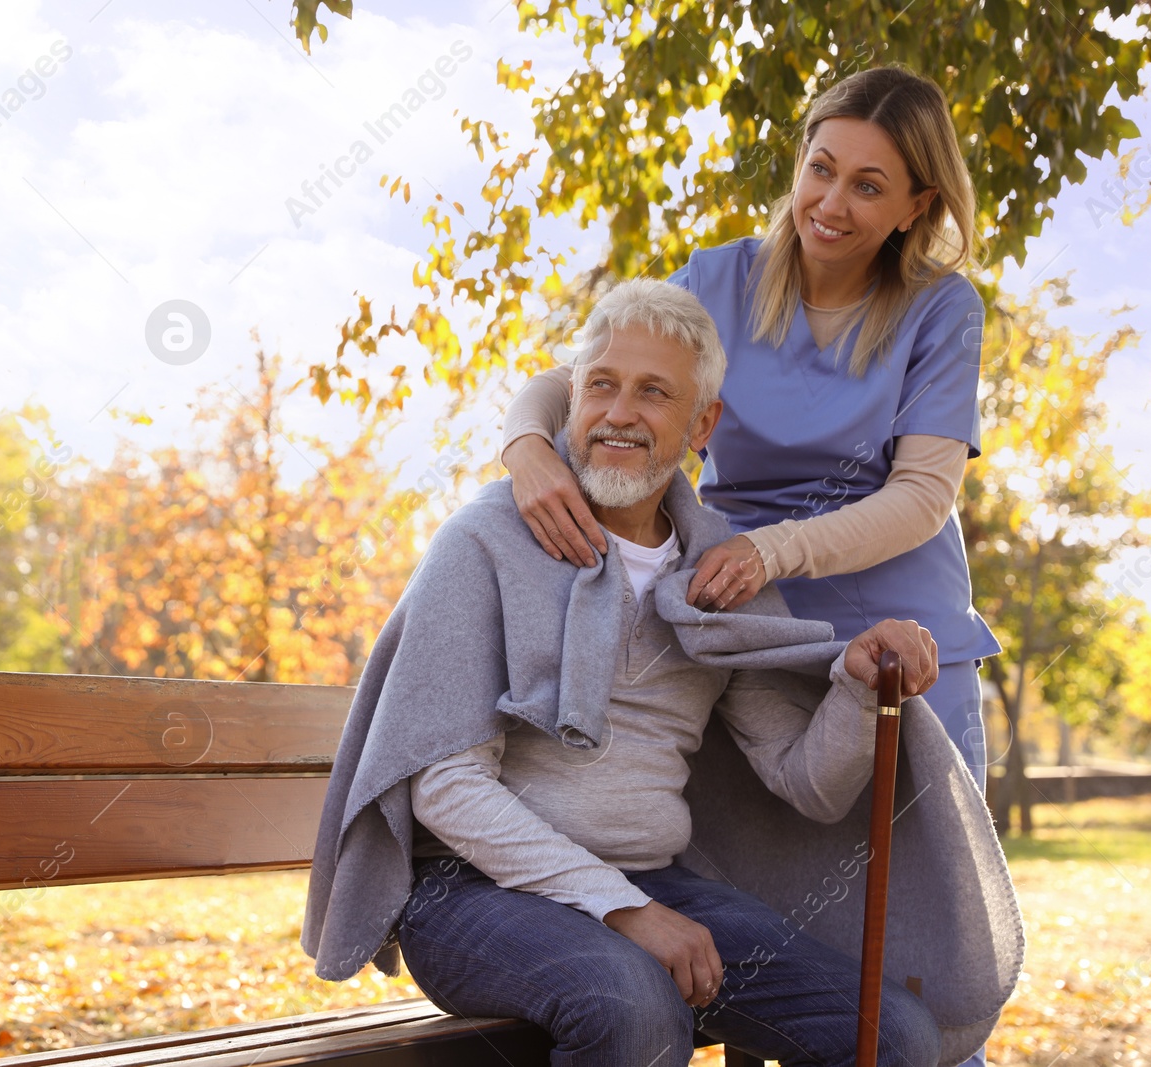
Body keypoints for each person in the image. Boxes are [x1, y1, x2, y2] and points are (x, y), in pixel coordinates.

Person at [300, 278, 1023, 1067]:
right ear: (571, 399)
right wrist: (625, 908)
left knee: (892, 1038)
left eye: (654, 393)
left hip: (656, 879)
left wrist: (855, 682)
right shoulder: (484, 542)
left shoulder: (716, 575)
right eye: (602, 386)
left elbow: (808, 781)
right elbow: (445, 790)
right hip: (472, 891)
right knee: (636, 1008)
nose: (619, 413)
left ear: (702, 423)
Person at [500, 66, 1000, 792]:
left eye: (868, 185)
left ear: (915, 205)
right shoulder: (716, 281)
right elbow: (571, 380)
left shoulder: (943, 309)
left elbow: (924, 494)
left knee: (924, 892)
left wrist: (769, 551)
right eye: (820, 170)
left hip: (902, 643)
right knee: (752, 890)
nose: (830, 204)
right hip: (744, 633)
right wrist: (527, 452)